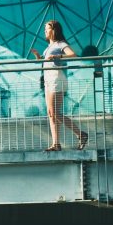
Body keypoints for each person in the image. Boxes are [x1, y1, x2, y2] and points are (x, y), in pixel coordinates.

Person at [30, 20, 88, 152]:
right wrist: (38, 56)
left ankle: (80, 134)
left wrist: (58, 55)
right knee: (51, 113)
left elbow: (73, 55)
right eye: (44, 29)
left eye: (47, 28)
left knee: (54, 112)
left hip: (56, 77)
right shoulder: (48, 48)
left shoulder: (60, 44)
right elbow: (45, 61)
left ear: (54, 30)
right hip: (48, 79)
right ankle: (56, 144)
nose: (45, 31)